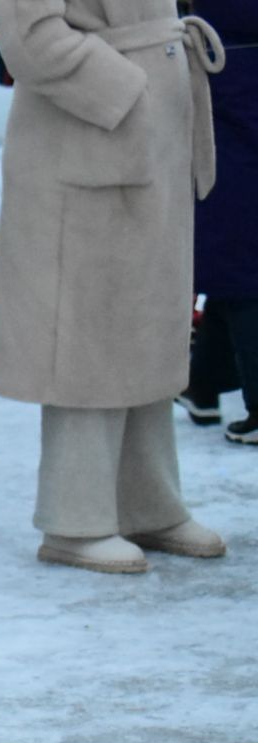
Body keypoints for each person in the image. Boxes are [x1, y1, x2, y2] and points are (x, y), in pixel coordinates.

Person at [0, 0, 227, 571]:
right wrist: (128, 89)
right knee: (84, 334)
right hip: (85, 136)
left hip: (146, 139)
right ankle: (76, 518)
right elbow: (31, 39)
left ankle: (150, 504)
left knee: (146, 326)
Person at [182, 0, 256, 446]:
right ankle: (202, 386)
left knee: (241, 274)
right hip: (232, 129)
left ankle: (211, 388)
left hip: (228, 140)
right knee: (235, 269)